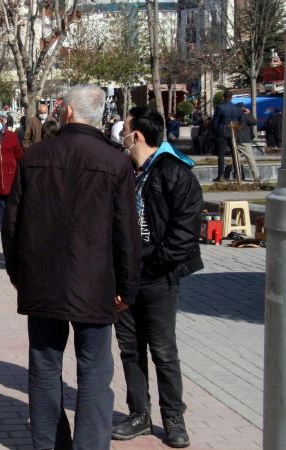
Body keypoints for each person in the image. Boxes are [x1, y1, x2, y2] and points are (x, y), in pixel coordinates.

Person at [2, 84, 142, 450]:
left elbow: (11, 225)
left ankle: (49, 443)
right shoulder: (115, 161)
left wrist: (20, 275)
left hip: (43, 280)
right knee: (94, 370)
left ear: (66, 112)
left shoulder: (35, 156)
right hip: (97, 282)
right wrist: (127, 287)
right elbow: (126, 232)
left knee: (45, 367)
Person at [112, 107, 203, 448]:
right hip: (124, 278)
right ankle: (139, 415)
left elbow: (184, 232)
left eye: (125, 129)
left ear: (136, 135)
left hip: (158, 277)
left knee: (163, 350)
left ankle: (173, 417)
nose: (120, 134)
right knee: (130, 349)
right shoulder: (122, 171)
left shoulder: (175, 172)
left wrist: (152, 266)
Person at [212, 91, 243, 181]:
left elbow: (215, 122)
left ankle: (220, 175)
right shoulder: (237, 108)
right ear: (231, 97)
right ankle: (237, 174)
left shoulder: (220, 107)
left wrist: (216, 132)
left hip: (222, 131)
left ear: (223, 97)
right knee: (234, 154)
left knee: (221, 154)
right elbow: (241, 120)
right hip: (233, 130)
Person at [236, 107, 260, 182]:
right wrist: (249, 113)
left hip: (235, 138)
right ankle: (256, 176)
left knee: (236, 159)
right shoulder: (244, 116)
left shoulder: (234, 115)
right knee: (250, 158)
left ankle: (237, 176)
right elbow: (254, 122)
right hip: (244, 139)